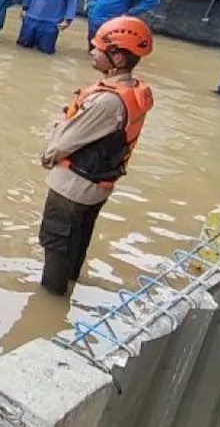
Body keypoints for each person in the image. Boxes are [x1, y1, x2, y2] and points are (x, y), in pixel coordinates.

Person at [38, 16, 154, 296]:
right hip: (96, 186)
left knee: (56, 243)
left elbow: (61, 145)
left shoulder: (107, 101)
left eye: (99, 48)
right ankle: (68, 287)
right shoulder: (131, 91)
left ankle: (51, 299)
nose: (92, 51)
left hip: (73, 187)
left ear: (117, 56)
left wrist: (50, 147)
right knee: (77, 239)